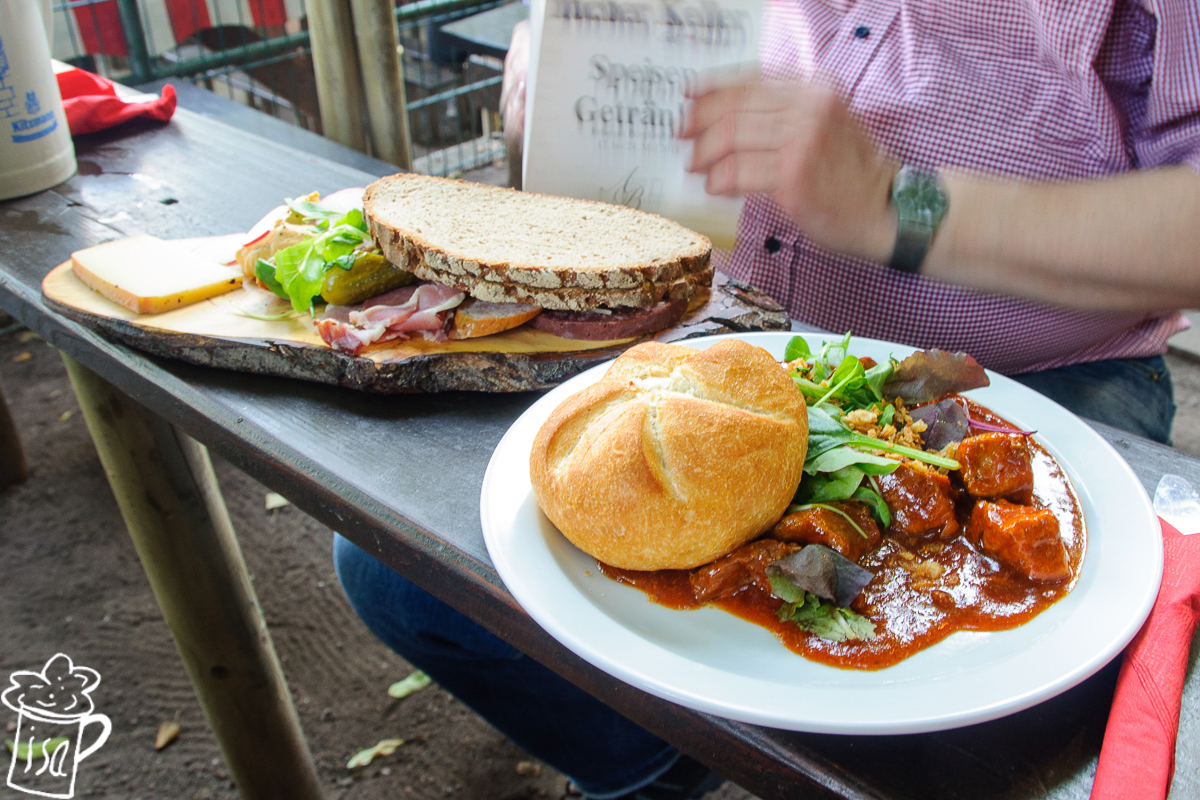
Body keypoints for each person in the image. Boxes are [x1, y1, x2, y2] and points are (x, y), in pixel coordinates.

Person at [338, 2, 1200, 798]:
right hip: (721, 336)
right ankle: (657, 769)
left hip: (1054, 376)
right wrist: (575, 75)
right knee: (396, 575)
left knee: (975, 750)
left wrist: (902, 207)